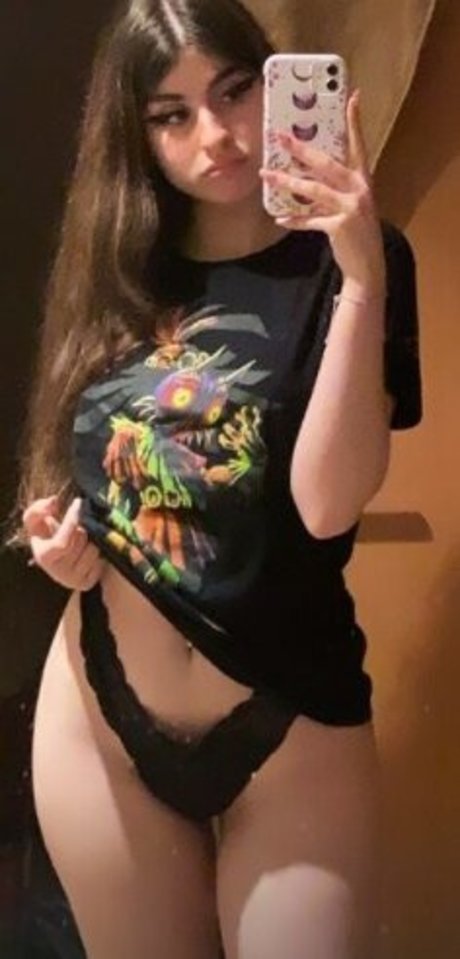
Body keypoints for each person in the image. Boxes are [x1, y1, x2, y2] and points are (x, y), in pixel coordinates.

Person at [13, 0, 422, 956]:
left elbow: (326, 503)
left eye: (235, 92)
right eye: (173, 114)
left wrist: (361, 278)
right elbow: (85, 479)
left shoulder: (353, 263)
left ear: (274, 84)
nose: (217, 134)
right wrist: (62, 545)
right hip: (98, 715)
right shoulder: (117, 268)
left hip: (288, 715)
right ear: (139, 134)